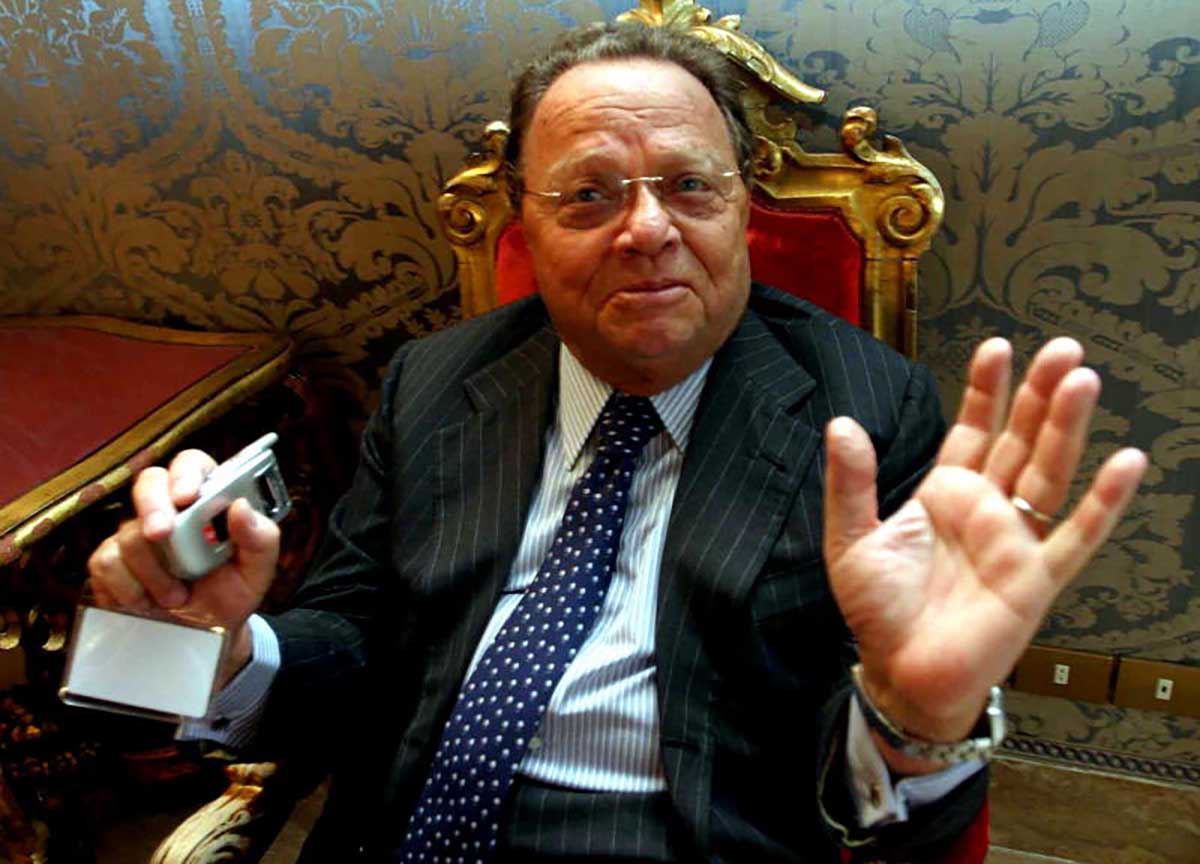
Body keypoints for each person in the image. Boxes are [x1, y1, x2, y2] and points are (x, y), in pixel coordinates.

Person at [87, 23, 1146, 864]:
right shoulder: (435, 381)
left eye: (689, 185)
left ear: (741, 206)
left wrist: (915, 720)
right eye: (589, 195)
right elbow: (351, 641)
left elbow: (871, 786)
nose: (646, 231)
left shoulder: (863, 409)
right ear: (525, 223)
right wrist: (214, 647)